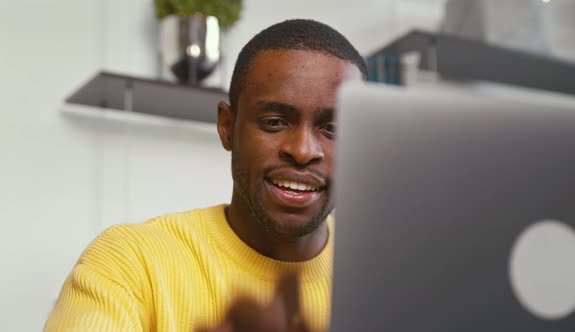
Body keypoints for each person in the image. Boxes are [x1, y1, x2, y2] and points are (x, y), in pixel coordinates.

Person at [44, 19, 368, 332]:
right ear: (227, 127)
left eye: (334, 129)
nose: (302, 151)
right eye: (274, 122)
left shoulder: (388, 276)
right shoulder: (130, 261)